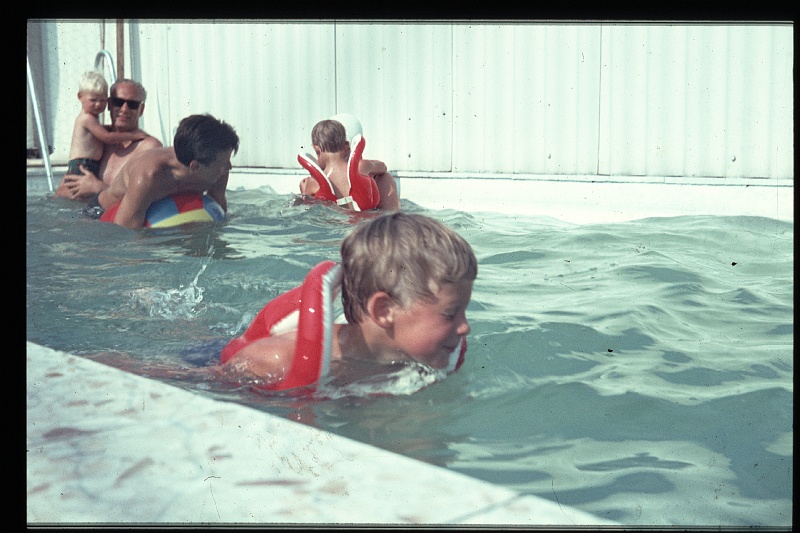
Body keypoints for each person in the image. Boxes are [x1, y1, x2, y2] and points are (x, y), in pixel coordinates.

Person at [220, 212, 477, 388]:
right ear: (385, 310)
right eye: (450, 313)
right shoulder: (272, 361)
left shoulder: (417, 360)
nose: (465, 327)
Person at [87, 113, 239, 229]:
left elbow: (218, 212)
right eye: (224, 163)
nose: (228, 167)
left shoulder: (218, 171)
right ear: (195, 167)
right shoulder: (149, 177)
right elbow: (125, 234)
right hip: (102, 215)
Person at [55, 78, 162, 201]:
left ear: (141, 109)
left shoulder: (148, 147)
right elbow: (61, 191)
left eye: (132, 104)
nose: (124, 109)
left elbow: (150, 195)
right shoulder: (97, 140)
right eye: (118, 102)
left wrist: (99, 187)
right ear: (109, 104)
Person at [299, 114, 400, 211]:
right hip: (367, 223)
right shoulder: (367, 170)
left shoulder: (313, 183)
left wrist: (305, 195)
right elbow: (383, 166)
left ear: (317, 150)